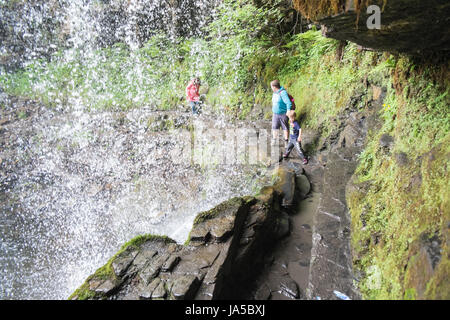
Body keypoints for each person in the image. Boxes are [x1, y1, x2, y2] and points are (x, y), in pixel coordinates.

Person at [270, 80, 291, 145]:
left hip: (283, 113)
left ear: (274, 87)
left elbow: (288, 102)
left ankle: (286, 141)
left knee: (285, 127)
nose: (271, 88)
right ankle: (274, 140)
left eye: (271, 86)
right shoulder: (274, 93)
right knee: (274, 127)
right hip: (275, 113)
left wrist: (288, 110)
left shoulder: (283, 92)